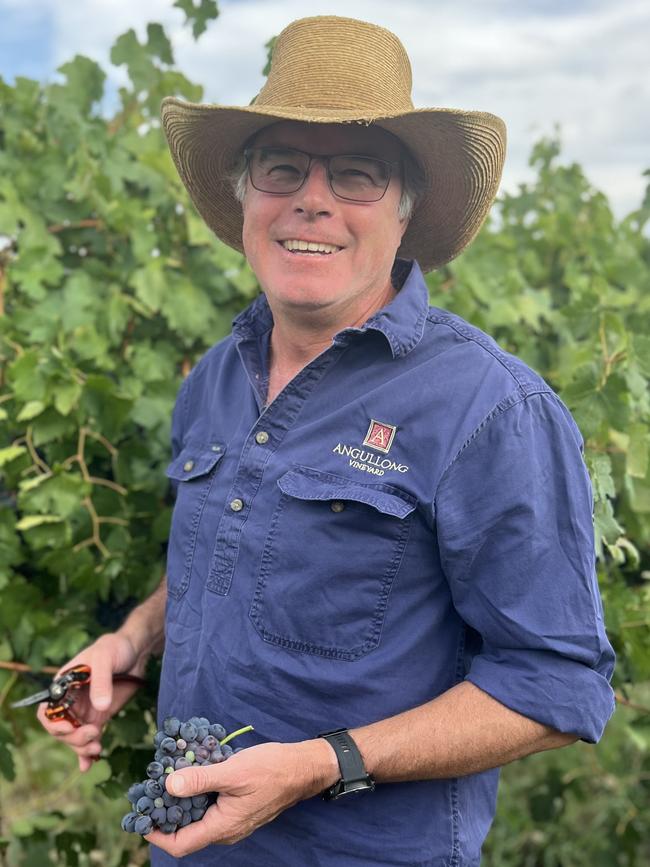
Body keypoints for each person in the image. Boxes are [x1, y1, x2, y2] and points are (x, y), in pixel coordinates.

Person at [39, 15, 616, 867]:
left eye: (357, 174)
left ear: (406, 212)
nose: (313, 199)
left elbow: (558, 686)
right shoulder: (216, 378)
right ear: (245, 196)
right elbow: (229, 544)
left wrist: (322, 764)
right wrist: (133, 640)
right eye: (282, 168)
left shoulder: (490, 408)